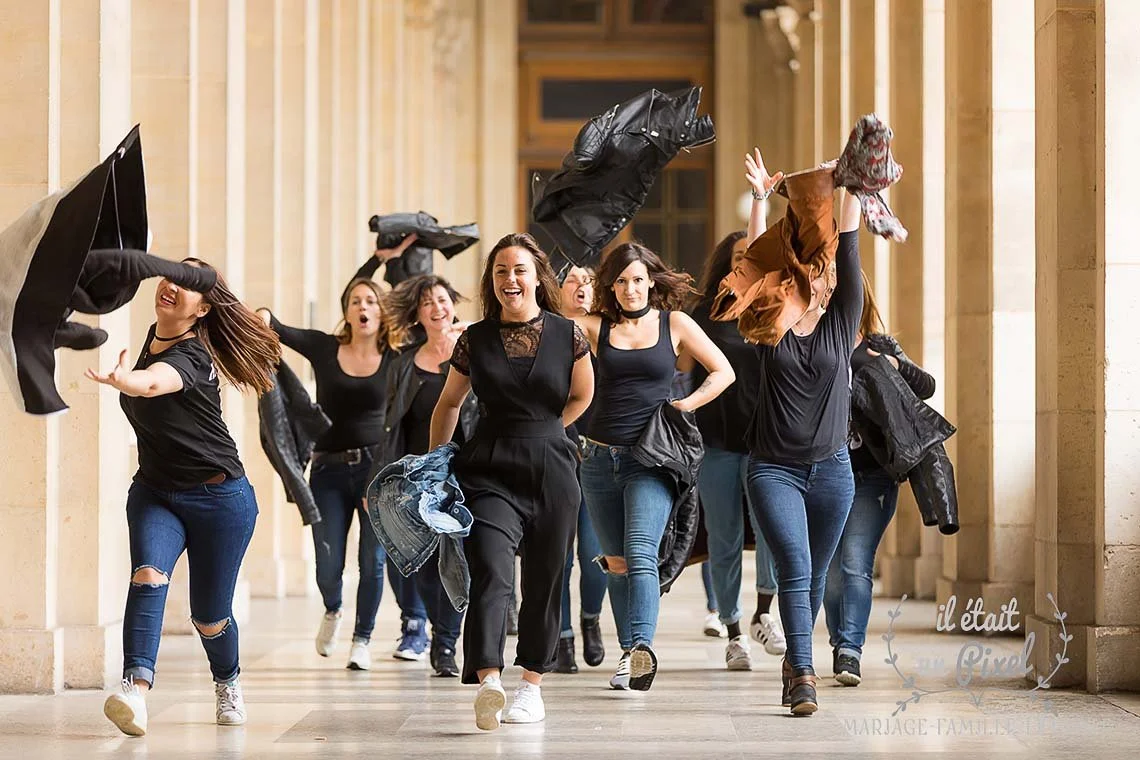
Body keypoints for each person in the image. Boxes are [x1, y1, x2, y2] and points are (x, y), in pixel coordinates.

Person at [90, 259, 280, 737]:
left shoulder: (194, 357)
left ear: (202, 309)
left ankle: (228, 681)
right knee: (148, 577)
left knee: (210, 617)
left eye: (190, 284)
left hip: (221, 500)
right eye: (172, 275)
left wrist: (125, 381)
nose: (173, 286)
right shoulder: (154, 340)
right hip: (156, 492)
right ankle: (135, 689)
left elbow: (156, 382)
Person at [429, 233, 593, 730]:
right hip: (489, 468)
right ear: (491, 281)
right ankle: (489, 680)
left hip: (554, 470)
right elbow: (449, 403)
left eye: (519, 270)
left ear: (537, 278)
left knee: (546, 580)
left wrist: (546, 432)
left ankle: (531, 686)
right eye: (501, 271)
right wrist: (437, 464)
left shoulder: (570, 335)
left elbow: (582, 396)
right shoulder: (474, 340)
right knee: (492, 571)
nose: (510, 280)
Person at [718, 160, 864, 716]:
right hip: (773, 469)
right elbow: (755, 265)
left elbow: (846, 244)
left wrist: (851, 183)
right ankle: (802, 673)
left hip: (832, 472)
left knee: (815, 574)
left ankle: (794, 655)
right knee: (796, 569)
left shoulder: (842, 317)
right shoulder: (766, 327)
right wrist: (760, 199)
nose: (805, 278)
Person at [575, 242, 734, 691]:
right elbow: (541, 325)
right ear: (611, 285)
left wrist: (685, 404)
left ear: (652, 282)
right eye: (622, 280)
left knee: (642, 551)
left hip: (653, 458)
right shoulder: (593, 328)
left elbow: (722, 372)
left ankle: (642, 648)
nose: (630, 288)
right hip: (598, 458)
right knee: (618, 561)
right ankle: (628, 655)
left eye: (638, 279)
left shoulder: (675, 323)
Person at [258, 238, 414, 671]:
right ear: (346, 310)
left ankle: (362, 639)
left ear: (381, 311)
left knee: (372, 558)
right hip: (327, 468)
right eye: (355, 300)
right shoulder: (325, 348)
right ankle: (332, 608)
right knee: (328, 560)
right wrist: (263, 317)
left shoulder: (397, 357)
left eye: (371, 300)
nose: (363, 306)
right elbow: (278, 328)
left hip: (375, 469)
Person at [689, 150, 788, 672]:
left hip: (767, 440)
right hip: (718, 441)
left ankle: (763, 612)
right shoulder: (704, 315)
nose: (743, 267)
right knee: (725, 539)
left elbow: (767, 257)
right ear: (724, 270)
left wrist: (759, 201)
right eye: (735, 262)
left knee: (772, 531)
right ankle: (732, 628)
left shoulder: (769, 306)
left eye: (750, 261)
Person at [823, 272, 935, 686]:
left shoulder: (877, 344)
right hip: (824, 472)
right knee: (830, 572)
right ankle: (840, 642)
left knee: (854, 562)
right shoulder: (811, 341)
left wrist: (895, 363)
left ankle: (850, 649)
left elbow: (926, 386)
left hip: (871, 475)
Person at [378, 274, 474, 677]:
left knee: (457, 555)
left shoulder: (475, 351)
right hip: (418, 476)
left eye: (443, 299)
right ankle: (438, 629)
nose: (437, 308)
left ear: (454, 304)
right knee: (422, 560)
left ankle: (447, 643)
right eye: (428, 303)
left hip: (467, 472)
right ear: (418, 315)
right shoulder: (403, 365)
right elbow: (391, 425)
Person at [554, 265, 608, 674]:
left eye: (589, 282)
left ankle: (590, 618)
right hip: (555, 455)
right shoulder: (546, 332)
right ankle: (563, 636)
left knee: (593, 554)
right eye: (573, 281)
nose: (582, 288)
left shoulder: (608, 334)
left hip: (596, 456)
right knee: (558, 556)